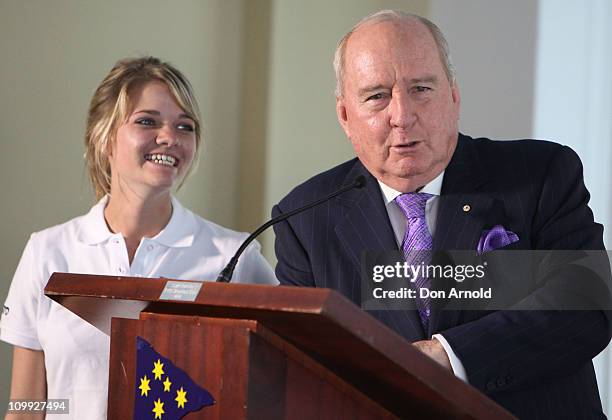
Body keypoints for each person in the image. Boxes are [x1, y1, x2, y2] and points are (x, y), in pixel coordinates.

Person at [272, 10, 611, 418]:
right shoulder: (306, 218)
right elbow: (306, 366)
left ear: (453, 95)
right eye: (377, 96)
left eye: (421, 88)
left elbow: (584, 307)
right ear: (345, 115)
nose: (402, 115)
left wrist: (448, 356)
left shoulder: (539, 175)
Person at [0, 56, 277, 419]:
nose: (169, 138)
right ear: (104, 137)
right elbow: (26, 406)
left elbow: (273, 393)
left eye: (185, 127)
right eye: (147, 121)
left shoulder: (235, 257)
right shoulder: (47, 251)